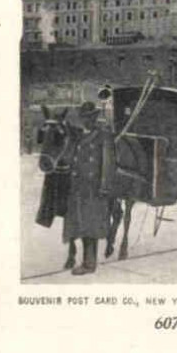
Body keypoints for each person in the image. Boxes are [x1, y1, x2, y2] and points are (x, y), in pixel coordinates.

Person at [64, 101, 115, 276]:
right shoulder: (79, 137)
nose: (87, 121)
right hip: (79, 188)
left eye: (90, 118)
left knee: (90, 227)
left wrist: (105, 186)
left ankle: (89, 264)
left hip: (94, 189)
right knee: (80, 225)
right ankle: (84, 261)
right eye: (84, 118)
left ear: (95, 118)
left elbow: (108, 164)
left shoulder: (103, 136)